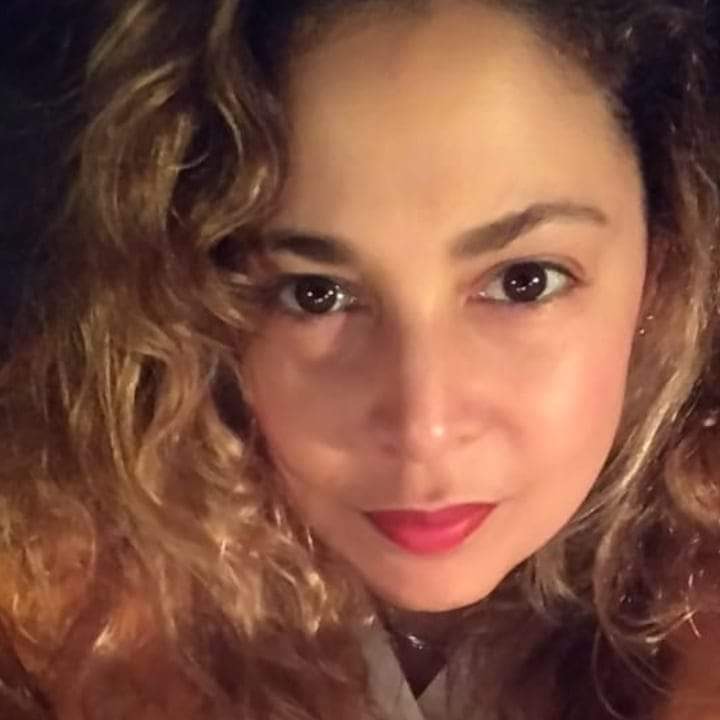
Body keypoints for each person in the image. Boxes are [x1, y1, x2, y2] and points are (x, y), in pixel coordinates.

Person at [1, 0, 719, 718]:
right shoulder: (52, 620)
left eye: (523, 281)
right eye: (315, 294)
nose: (423, 426)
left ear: (660, 273)